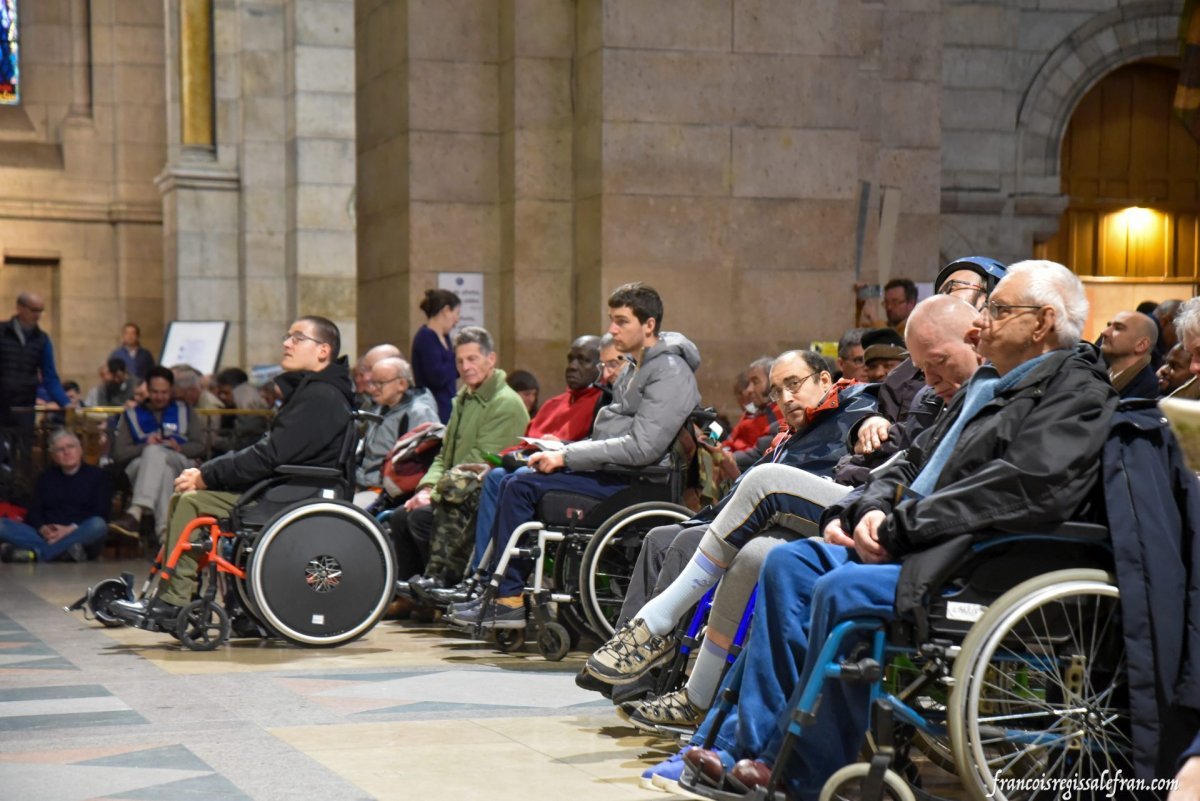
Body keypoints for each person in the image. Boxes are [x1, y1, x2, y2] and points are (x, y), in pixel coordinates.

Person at [670, 261, 1119, 799]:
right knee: (788, 564)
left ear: (1043, 322)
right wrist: (854, 513)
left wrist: (901, 528)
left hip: (976, 564)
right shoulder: (989, 384)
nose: (981, 324)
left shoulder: (1076, 392)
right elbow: (908, 464)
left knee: (843, 589)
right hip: (923, 543)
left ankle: (792, 774)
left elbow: (1024, 488)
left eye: (997, 310)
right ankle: (743, 748)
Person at [600, 297, 983, 731]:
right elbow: (911, 457)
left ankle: (654, 627)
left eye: (794, 385)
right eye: (776, 391)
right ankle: (699, 699)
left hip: (903, 520)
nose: (927, 378)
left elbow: (959, 475)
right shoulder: (944, 397)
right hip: (868, 503)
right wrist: (866, 495)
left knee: (761, 485)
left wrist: (870, 478)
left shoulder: (886, 399)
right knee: (749, 554)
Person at [451, 283, 701, 630]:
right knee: (511, 478)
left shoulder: (670, 371)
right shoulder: (635, 366)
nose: (612, 329)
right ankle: (496, 590)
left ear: (649, 325)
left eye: (621, 321)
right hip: (617, 472)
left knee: (521, 486)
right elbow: (616, 433)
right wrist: (563, 452)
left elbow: (643, 447)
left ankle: (508, 599)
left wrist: (568, 456)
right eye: (612, 320)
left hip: (640, 483)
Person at [111, 315, 354, 626]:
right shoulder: (317, 392)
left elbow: (269, 455)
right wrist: (210, 472)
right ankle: (186, 594)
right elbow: (271, 451)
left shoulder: (321, 396)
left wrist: (207, 475)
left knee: (191, 501)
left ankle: (173, 601)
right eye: (288, 336)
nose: (286, 343)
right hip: (288, 485)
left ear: (323, 350)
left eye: (297, 338)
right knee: (188, 495)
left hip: (294, 493)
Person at [406, 336, 606, 605]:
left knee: (491, 482)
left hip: (568, 478)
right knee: (486, 478)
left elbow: (590, 450)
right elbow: (521, 446)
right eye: (570, 358)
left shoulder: (601, 403)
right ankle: (467, 579)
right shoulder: (552, 404)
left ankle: (488, 580)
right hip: (532, 470)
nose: (572, 366)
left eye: (583, 360)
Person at [389, 326, 528, 585]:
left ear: (491, 359)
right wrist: (426, 488)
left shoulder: (504, 402)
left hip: (476, 494)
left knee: (420, 518)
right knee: (400, 516)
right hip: (452, 488)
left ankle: (442, 583)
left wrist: (433, 494)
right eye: (460, 361)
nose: (465, 367)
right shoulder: (464, 397)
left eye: (472, 359)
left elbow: (479, 461)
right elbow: (444, 455)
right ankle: (412, 594)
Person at [109, 366, 205, 544]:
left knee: (160, 458)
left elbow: (200, 445)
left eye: (164, 392)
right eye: (154, 392)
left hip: (180, 463)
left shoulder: (185, 410)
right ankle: (164, 535)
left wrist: (180, 448)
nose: (160, 397)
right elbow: (120, 453)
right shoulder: (132, 414)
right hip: (141, 468)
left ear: (171, 390)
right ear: (147, 389)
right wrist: (145, 446)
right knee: (162, 468)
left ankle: (136, 511)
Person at [0, 292, 70, 502]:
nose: (37, 315)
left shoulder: (42, 340)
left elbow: (50, 376)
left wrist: (66, 403)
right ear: (20, 308)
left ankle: (16, 505)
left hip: (24, 408)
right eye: (33, 310)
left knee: (23, 460)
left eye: (40, 311)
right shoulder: (2, 332)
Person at [0, 429, 110, 562]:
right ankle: (62, 552)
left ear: (80, 449)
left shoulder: (97, 476)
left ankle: (39, 554)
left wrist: (69, 529)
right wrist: (42, 528)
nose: (66, 452)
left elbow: (101, 512)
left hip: (79, 533)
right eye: (60, 449)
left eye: (70, 447)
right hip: (47, 535)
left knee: (98, 525)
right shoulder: (46, 477)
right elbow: (34, 511)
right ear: (53, 456)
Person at [353, 356, 439, 507]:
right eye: (372, 383)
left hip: (388, 492)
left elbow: (425, 464)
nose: (373, 389)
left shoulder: (419, 413)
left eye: (380, 383)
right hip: (362, 483)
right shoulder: (381, 408)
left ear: (402, 384)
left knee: (340, 513)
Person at [411, 289, 461, 423]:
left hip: (448, 407)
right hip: (433, 410)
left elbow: (454, 372)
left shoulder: (445, 337)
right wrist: (453, 356)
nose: (457, 320)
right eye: (456, 313)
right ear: (446, 310)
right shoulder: (425, 337)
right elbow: (437, 377)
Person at [1101, 310, 1160, 398]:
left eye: (1118, 328)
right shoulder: (1097, 370)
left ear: (1141, 345)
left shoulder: (1146, 388)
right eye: (1109, 325)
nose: (1104, 332)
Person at [212, 367, 271, 454]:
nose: (223, 397)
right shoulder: (233, 409)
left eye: (226, 393)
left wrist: (214, 441)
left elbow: (238, 445)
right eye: (221, 393)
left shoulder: (249, 413)